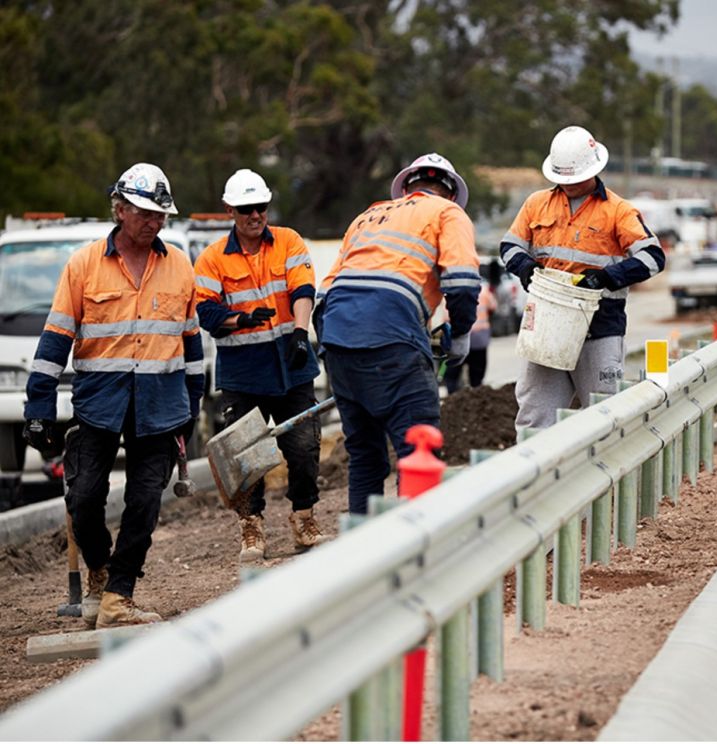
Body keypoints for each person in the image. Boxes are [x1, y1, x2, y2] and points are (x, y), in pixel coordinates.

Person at [23, 163, 204, 627]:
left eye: (160, 215)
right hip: (99, 404)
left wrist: (193, 402)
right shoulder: (84, 265)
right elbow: (55, 341)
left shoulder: (180, 266)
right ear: (120, 210)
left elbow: (191, 343)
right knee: (83, 499)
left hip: (161, 405)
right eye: (145, 213)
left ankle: (119, 594)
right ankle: (100, 571)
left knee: (145, 501)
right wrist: (39, 407)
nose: (155, 222)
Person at [317, 153, 480, 514]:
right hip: (391, 342)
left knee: (365, 457)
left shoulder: (368, 216)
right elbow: (463, 283)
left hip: (338, 340)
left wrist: (336, 348)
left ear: (406, 188)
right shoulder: (447, 213)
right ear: (450, 193)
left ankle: (363, 547)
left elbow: (324, 294)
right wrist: (463, 333)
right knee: (418, 449)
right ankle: (416, 548)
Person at [193, 169, 326, 562]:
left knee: (303, 448)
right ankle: (251, 528)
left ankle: (304, 517)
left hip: (291, 364)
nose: (256, 216)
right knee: (247, 455)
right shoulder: (213, 258)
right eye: (247, 209)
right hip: (243, 373)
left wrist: (301, 334)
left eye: (261, 208)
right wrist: (241, 320)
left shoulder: (288, 241)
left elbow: (303, 288)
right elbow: (207, 311)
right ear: (231, 210)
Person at [499, 125, 666, 430]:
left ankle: (609, 475)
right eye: (563, 179)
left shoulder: (618, 211)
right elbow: (510, 245)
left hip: (599, 326)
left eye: (574, 179)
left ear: (593, 169)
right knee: (536, 415)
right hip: (547, 327)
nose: (569, 185)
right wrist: (524, 267)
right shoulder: (537, 204)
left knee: (606, 415)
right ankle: (539, 475)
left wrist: (606, 277)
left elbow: (653, 258)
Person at [442, 262, 499, 394]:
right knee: (477, 376)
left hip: (458, 338)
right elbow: (493, 307)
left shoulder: (450, 292)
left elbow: (446, 318)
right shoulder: (484, 291)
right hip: (479, 339)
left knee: (453, 375)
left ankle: (453, 402)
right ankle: (476, 401)